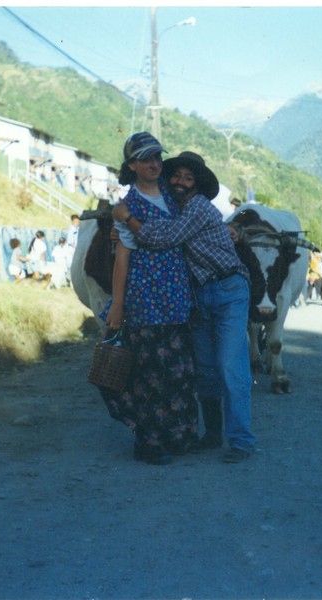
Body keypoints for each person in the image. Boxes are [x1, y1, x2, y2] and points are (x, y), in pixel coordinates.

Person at [112, 150, 256, 463]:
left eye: (188, 178)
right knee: (204, 369)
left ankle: (242, 441)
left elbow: (164, 238)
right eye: (176, 175)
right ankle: (213, 434)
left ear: (197, 185)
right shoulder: (173, 209)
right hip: (199, 296)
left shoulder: (198, 208)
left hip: (228, 290)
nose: (180, 181)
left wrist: (127, 219)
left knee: (230, 367)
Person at [100, 132, 198, 465]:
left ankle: (177, 436)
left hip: (177, 296)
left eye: (156, 157)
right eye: (145, 159)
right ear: (131, 166)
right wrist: (117, 303)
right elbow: (123, 256)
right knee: (149, 373)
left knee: (178, 370)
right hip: (145, 295)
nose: (153, 163)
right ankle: (150, 442)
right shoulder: (129, 206)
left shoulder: (174, 196)